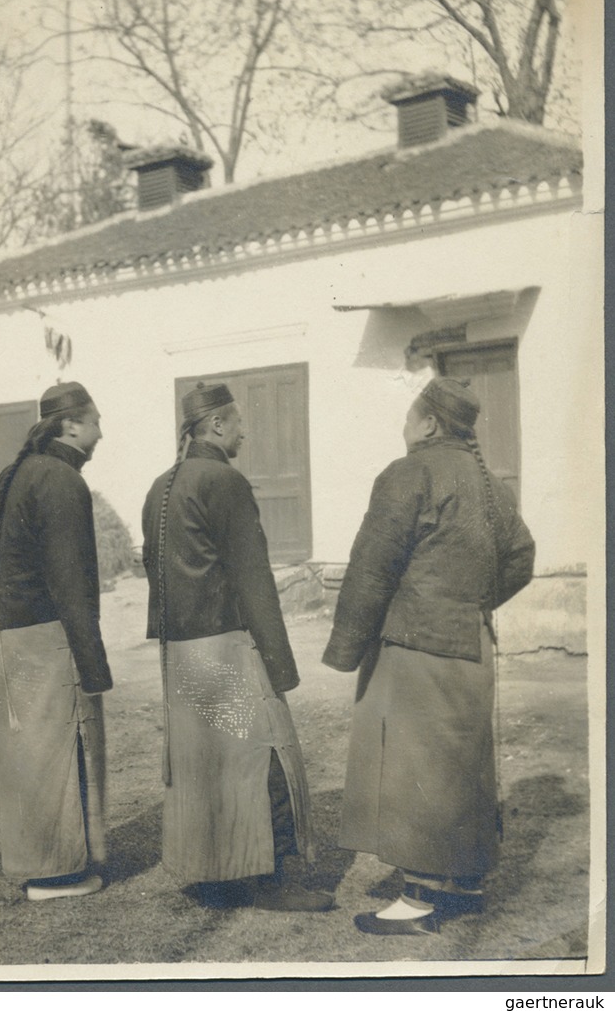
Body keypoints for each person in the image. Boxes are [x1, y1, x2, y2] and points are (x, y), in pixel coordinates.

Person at [322, 377, 536, 935]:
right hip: (471, 644)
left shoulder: (409, 472)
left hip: (418, 649)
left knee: (416, 772)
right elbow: (521, 560)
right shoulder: (492, 485)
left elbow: (373, 567)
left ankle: (418, 902)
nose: (403, 427)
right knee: (461, 767)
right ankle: (465, 885)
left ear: (430, 424)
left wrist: (345, 649)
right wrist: (469, 605)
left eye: (408, 417)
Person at [141, 381, 333, 912]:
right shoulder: (225, 481)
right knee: (263, 759)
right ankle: (271, 881)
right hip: (228, 643)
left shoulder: (160, 485)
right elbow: (254, 580)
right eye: (240, 422)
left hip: (181, 652)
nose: (246, 430)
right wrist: (280, 666)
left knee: (206, 767)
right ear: (218, 425)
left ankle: (214, 876)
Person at [0, 382, 112, 901]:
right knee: (61, 748)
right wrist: (94, 665)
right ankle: (57, 872)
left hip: (8, 634)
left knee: (29, 751)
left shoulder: (13, 474)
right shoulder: (61, 480)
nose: (102, 433)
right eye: (97, 421)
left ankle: (44, 860)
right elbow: (71, 580)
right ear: (71, 426)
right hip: (46, 634)